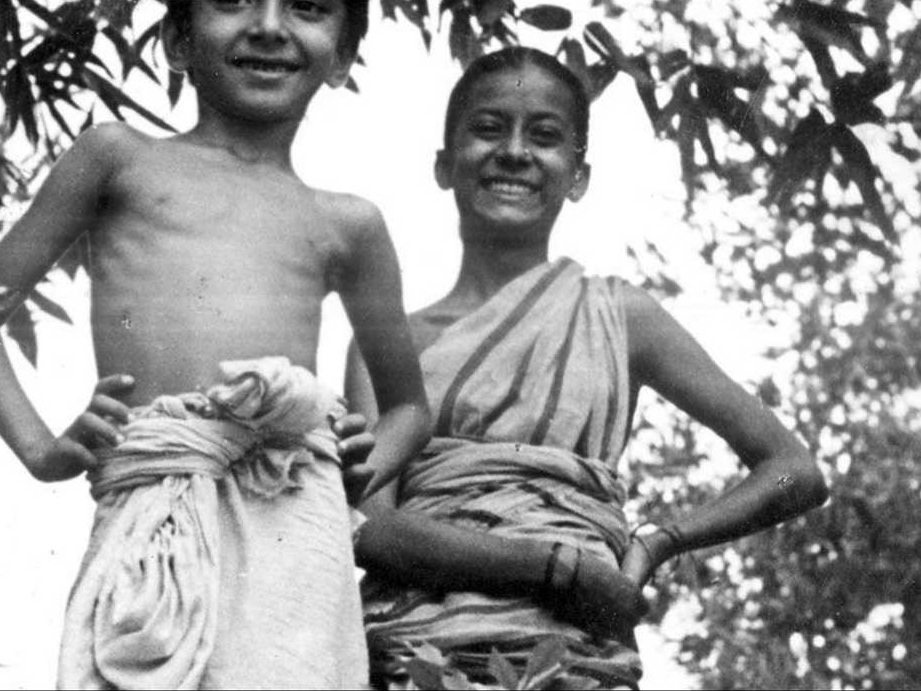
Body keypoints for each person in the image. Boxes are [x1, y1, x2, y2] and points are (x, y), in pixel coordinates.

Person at [0, 0, 432, 690]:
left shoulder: (349, 224)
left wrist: (362, 461)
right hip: (154, 501)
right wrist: (41, 448)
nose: (268, 25)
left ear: (342, 54)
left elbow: (408, 406)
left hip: (293, 517)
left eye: (307, 5)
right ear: (177, 36)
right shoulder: (118, 159)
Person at [345, 47, 829, 689]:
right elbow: (370, 529)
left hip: (572, 658)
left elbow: (793, 470)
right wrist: (555, 568)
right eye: (488, 128)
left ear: (578, 177)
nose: (514, 152)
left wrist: (658, 541)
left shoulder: (619, 316)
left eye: (544, 136)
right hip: (414, 656)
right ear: (444, 163)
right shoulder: (385, 343)